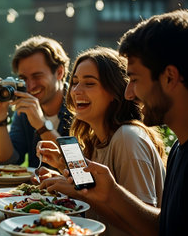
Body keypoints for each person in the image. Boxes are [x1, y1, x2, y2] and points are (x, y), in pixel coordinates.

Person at [42, 10, 188, 236]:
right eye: (74, 83)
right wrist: (110, 192)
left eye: (134, 79)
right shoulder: (180, 149)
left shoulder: (129, 137)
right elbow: (165, 227)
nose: (129, 93)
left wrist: (90, 194)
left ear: (169, 77)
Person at [36, 47, 166, 235]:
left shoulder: (128, 138)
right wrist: (63, 170)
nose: (76, 91)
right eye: (74, 82)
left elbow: (145, 228)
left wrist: (77, 192)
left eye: (89, 83)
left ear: (115, 91)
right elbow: (100, 200)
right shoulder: (96, 140)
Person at [0, 35, 73, 168]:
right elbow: (6, 162)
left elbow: (76, 164)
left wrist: (41, 124)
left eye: (37, 76)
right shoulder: (26, 108)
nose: (30, 86)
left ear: (59, 72)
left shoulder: (79, 105)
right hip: (37, 188)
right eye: (23, 78)